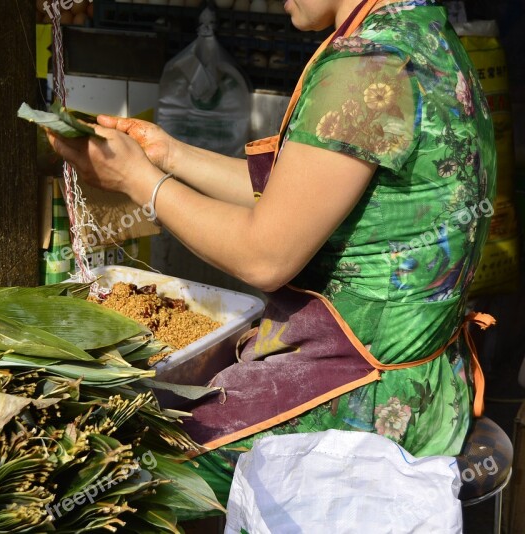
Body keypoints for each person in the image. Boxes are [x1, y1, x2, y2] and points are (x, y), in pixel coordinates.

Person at [47, 0, 496, 509]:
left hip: (358, 397)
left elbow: (265, 257)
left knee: (111, 477)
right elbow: (299, 194)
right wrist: (168, 156)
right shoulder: (421, 32)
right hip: (427, 381)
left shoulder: (366, 66)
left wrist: (138, 182)